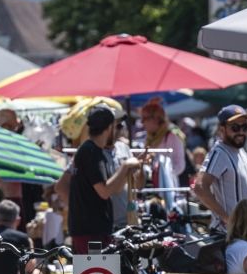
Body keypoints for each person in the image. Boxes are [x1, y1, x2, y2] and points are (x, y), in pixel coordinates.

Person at [66, 105, 140, 253]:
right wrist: (125, 166)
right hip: (90, 232)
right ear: (109, 128)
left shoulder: (91, 150)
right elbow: (104, 191)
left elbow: (114, 188)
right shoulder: (91, 152)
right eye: (116, 126)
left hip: (94, 230)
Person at [193, 105, 247, 225]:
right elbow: (199, 187)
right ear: (222, 129)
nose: (241, 132)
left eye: (245, 127)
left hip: (244, 230)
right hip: (227, 233)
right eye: (235, 127)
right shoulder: (219, 152)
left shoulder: (240, 151)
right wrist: (227, 218)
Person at [136, 98, 186, 187]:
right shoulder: (147, 138)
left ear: (156, 120)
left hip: (167, 186)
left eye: (145, 119)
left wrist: (162, 175)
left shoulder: (172, 137)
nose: (142, 122)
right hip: (149, 185)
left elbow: (180, 165)